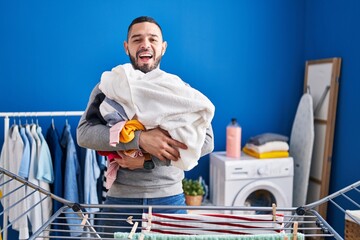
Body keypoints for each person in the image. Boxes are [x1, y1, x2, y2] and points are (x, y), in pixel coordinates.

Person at [76, 16, 214, 236]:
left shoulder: (179, 90)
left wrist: (150, 159)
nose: (145, 44)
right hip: (120, 202)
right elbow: (84, 134)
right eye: (137, 39)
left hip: (169, 200)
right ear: (126, 47)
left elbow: (206, 142)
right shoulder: (109, 85)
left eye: (152, 39)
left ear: (163, 47)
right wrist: (139, 139)